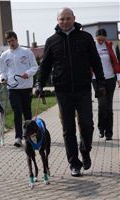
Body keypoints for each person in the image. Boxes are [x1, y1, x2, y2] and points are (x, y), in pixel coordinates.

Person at [35, 7, 105, 177]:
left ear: (74, 18)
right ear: (57, 21)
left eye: (68, 18)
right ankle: (74, 163)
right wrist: (39, 84)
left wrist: (101, 83)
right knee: (68, 129)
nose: (65, 22)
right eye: (62, 19)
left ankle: (85, 149)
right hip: (62, 91)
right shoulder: (51, 41)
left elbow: (96, 61)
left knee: (87, 124)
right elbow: (44, 67)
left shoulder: (85, 38)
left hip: (82, 89)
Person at [0, 30, 38, 147]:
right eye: (9, 41)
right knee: (17, 112)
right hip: (12, 88)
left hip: (26, 87)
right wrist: (2, 79)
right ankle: (18, 137)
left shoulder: (26, 51)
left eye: (13, 40)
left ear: (17, 39)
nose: (11, 43)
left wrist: (28, 73)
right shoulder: (4, 56)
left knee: (27, 112)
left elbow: (35, 67)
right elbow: (1, 72)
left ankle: (31, 136)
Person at [92, 28, 120, 140]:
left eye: (102, 39)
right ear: (95, 38)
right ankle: (101, 128)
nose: (100, 41)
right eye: (98, 39)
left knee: (109, 106)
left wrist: (118, 78)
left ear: (105, 38)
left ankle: (109, 132)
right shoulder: (92, 46)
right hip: (97, 80)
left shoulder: (109, 45)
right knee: (102, 105)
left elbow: (115, 61)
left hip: (110, 79)